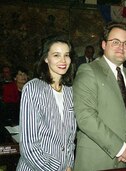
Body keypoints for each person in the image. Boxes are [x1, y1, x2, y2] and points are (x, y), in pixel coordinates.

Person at [73, 21, 126, 171]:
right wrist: (121, 148)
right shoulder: (88, 70)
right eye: (116, 42)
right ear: (103, 45)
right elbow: (85, 117)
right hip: (95, 160)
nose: (121, 47)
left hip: (125, 161)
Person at [17, 35, 77, 171]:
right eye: (56, 55)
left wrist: (69, 165)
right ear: (46, 58)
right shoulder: (33, 88)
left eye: (66, 55)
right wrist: (57, 168)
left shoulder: (70, 91)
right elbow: (29, 147)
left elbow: (70, 141)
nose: (63, 60)